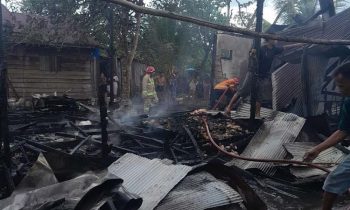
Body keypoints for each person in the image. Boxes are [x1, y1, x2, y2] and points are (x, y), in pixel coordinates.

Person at [303, 62, 350, 210]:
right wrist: (316, 150)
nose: (338, 89)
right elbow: (343, 131)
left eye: (341, 85)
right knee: (333, 181)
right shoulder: (348, 102)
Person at [225, 38, 303, 117]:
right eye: (274, 39)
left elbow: (286, 47)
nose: (276, 40)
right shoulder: (261, 49)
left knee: (259, 96)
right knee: (242, 91)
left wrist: (300, 44)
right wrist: (252, 54)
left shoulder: (274, 49)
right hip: (253, 73)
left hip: (263, 76)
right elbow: (252, 55)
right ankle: (228, 108)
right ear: (269, 40)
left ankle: (257, 115)